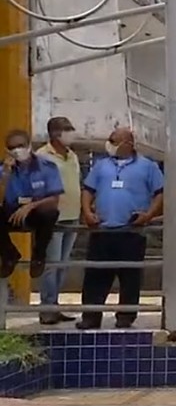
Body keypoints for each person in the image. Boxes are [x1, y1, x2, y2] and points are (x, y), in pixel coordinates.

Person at [77, 127, 164, 330]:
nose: (110, 144)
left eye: (114, 141)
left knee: (130, 276)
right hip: (102, 230)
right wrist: (88, 213)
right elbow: (88, 190)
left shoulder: (148, 166)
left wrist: (149, 215)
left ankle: (125, 316)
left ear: (128, 143)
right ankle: (91, 317)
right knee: (95, 276)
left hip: (131, 231)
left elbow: (160, 194)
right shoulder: (101, 166)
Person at [35, 117, 82, 324]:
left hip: (72, 216)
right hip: (51, 219)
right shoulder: (42, 156)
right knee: (51, 264)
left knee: (63, 264)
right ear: (55, 133)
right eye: (67, 129)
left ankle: (55, 305)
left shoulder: (72, 156)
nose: (71, 133)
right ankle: (47, 308)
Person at [0, 129, 63, 279]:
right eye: (12, 147)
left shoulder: (46, 166)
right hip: (11, 211)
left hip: (36, 211)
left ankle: (39, 256)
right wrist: (6, 174)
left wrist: (30, 206)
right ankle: (9, 254)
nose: (17, 151)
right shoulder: (3, 169)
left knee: (51, 214)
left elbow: (54, 198)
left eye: (20, 145)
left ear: (29, 145)